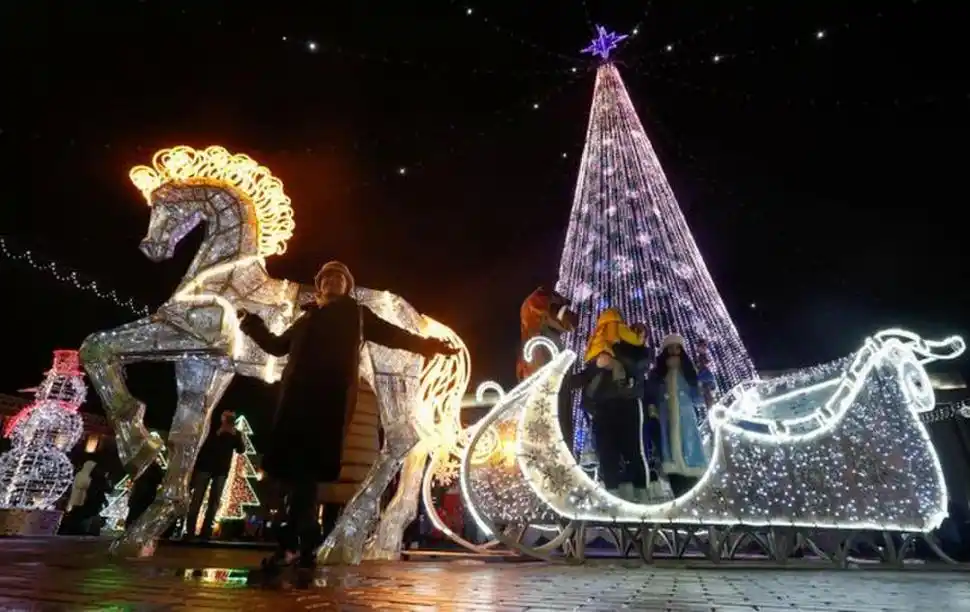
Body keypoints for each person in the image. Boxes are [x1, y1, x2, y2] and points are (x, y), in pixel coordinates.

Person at [238, 260, 458, 572]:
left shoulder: (355, 315)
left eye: (340, 277)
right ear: (319, 285)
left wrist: (428, 346)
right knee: (297, 479)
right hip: (294, 402)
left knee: (305, 475)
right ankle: (304, 546)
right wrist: (252, 323)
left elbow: (392, 335)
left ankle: (294, 546)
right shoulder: (306, 319)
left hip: (326, 402)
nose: (333, 280)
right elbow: (275, 347)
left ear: (347, 286)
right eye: (327, 276)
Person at [574, 309, 651, 502]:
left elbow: (641, 365)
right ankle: (612, 496)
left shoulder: (633, 347)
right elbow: (587, 374)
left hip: (627, 402)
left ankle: (641, 496)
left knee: (632, 450)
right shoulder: (598, 347)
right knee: (606, 452)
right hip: (601, 406)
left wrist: (616, 360)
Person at [644, 334, 710, 498]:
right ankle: (679, 491)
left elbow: (697, 397)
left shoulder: (688, 371)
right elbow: (650, 394)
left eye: (677, 347)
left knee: (689, 447)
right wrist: (653, 411)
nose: (674, 351)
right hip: (665, 417)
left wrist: (704, 386)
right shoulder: (658, 373)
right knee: (669, 452)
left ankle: (692, 490)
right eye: (670, 348)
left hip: (686, 416)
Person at [185, 409, 245, 540]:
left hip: (221, 471)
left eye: (231, 418)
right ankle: (189, 532)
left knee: (214, 502)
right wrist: (218, 433)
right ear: (222, 418)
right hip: (205, 467)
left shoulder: (235, 434)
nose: (229, 421)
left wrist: (236, 436)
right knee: (197, 499)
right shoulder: (213, 429)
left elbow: (241, 450)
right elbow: (203, 444)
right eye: (227, 417)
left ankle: (205, 533)